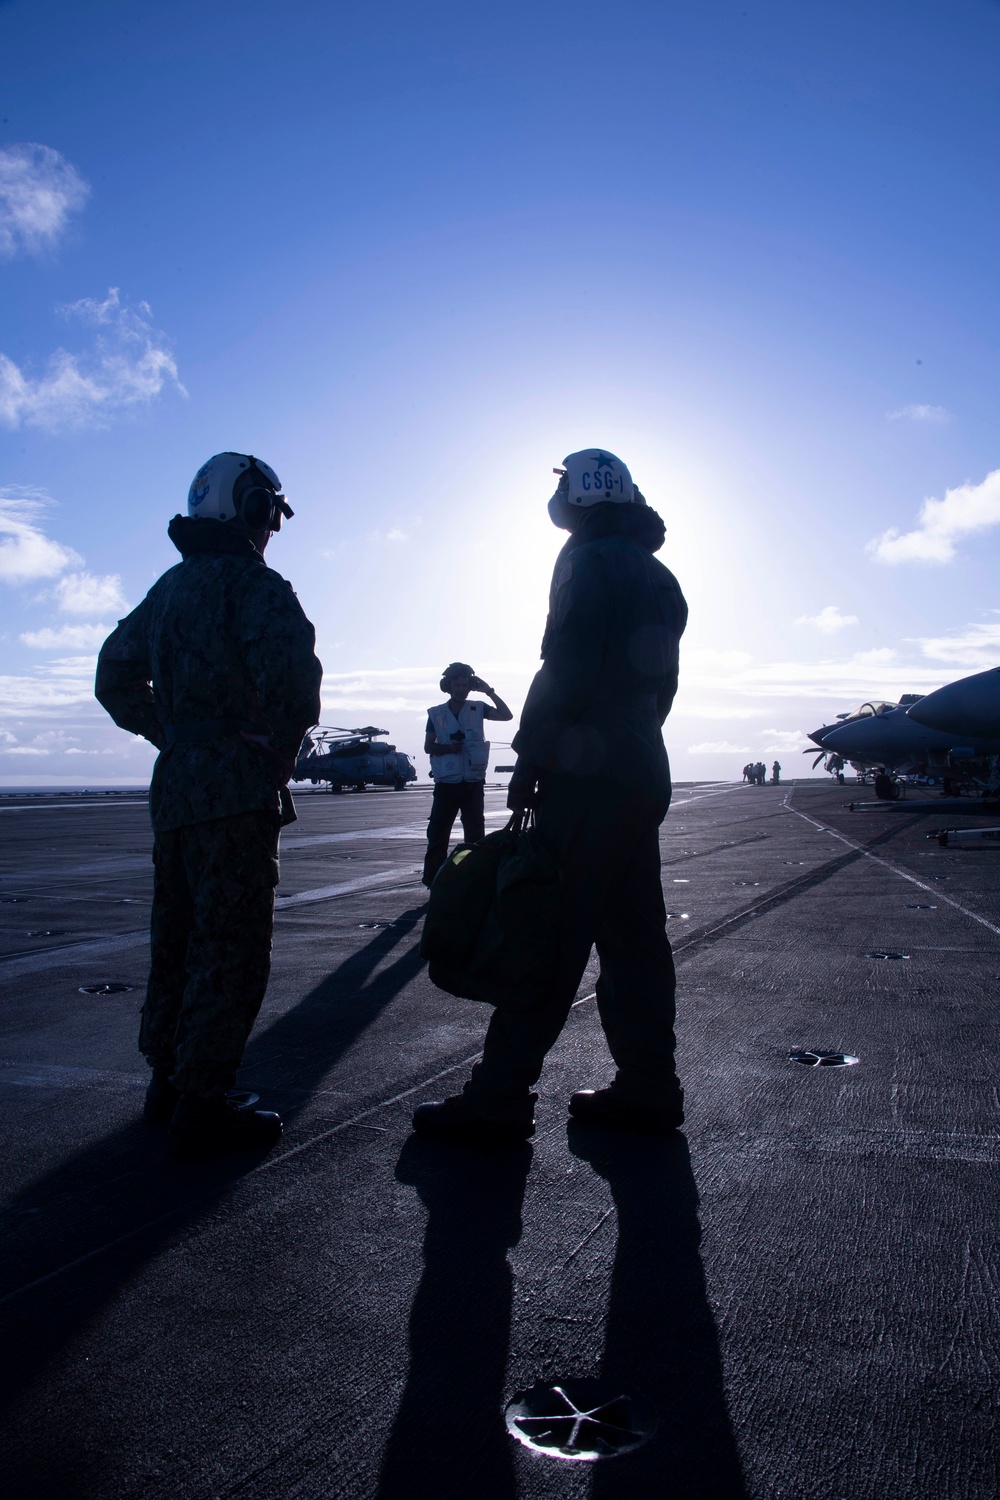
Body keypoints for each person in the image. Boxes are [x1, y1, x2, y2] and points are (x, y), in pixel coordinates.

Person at [414, 448, 688, 1146]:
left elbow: (564, 664)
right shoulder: (659, 575)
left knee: (548, 930)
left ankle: (499, 1095)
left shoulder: (585, 560)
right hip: (640, 771)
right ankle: (650, 1085)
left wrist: (534, 755)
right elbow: (663, 688)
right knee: (634, 940)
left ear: (582, 498)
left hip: (585, 775)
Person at [95, 452, 322, 1158]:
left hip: (179, 790)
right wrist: (275, 750)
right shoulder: (254, 587)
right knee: (231, 943)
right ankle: (204, 1099)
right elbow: (292, 681)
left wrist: (174, 734)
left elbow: (113, 676)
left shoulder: (167, 590)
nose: (273, 532)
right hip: (234, 789)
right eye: (271, 516)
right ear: (252, 510)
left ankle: (166, 1078)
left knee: (179, 937)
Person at [422, 664, 512, 886]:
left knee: (474, 839)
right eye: (457, 685)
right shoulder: (436, 714)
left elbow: (506, 715)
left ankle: (470, 877)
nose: (462, 689)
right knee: (437, 836)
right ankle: (434, 881)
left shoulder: (478, 708)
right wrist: (448, 749)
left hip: (472, 785)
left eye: (465, 685)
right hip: (446, 786)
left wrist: (489, 691)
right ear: (448, 687)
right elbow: (428, 746)